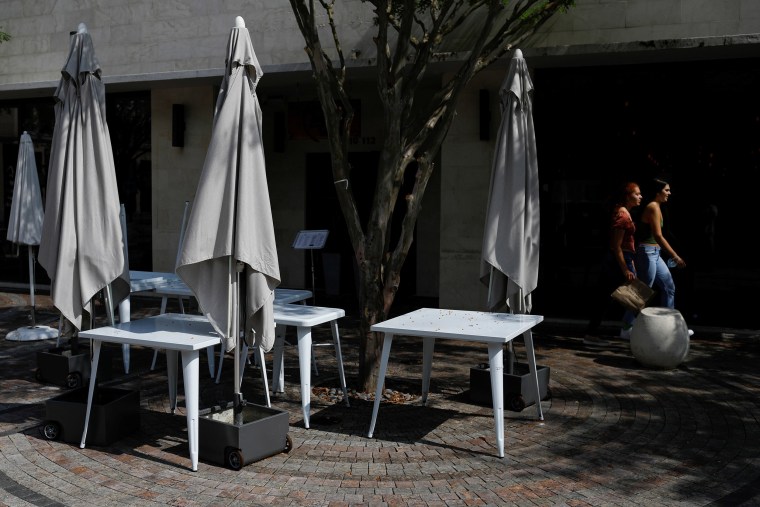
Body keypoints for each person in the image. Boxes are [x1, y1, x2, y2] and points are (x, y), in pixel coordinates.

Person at [584, 181, 643, 345]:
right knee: (636, 299)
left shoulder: (624, 213)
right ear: (627, 196)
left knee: (617, 299)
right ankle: (648, 335)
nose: (640, 197)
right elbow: (616, 246)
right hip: (618, 261)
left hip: (621, 260)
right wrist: (625, 268)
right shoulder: (623, 216)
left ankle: (592, 333)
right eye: (637, 194)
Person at [635, 177, 685, 310]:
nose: (669, 193)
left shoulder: (657, 206)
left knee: (669, 287)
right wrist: (675, 256)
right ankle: (627, 326)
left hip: (655, 254)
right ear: (658, 192)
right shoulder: (653, 207)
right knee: (642, 292)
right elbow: (658, 236)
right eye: (667, 190)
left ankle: (668, 324)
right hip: (647, 252)